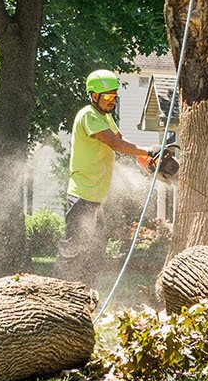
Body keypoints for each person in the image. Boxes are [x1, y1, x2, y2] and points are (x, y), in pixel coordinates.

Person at [56, 69, 158, 286]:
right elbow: (113, 143)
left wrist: (145, 161)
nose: (113, 101)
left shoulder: (105, 116)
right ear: (94, 96)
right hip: (82, 194)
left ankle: (86, 293)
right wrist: (147, 151)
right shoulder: (88, 115)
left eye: (115, 97)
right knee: (74, 247)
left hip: (96, 197)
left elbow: (121, 140)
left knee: (95, 250)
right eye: (108, 97)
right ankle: (61, 292)